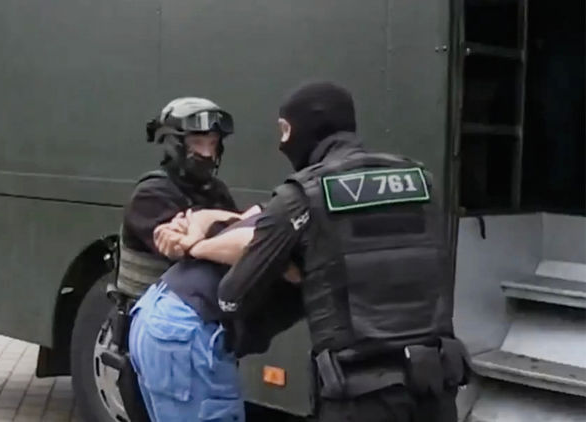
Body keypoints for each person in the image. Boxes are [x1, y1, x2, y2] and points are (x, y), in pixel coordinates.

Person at [210, 81, 470, 422]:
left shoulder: (299, 196)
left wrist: (293, 267)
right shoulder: (421, 181)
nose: (281, 143)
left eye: (284, 130)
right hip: (434, 386)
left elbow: (232, 297)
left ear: (303, 129)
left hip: (360, 397)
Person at [106, 97, 242, 421]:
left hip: (203, 338)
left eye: (213, 143)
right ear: (174, 145)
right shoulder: (152, 194)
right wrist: (217, 229)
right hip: (162, 346)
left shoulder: (215, 191)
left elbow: (239, 237)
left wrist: (208, 222)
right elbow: (197, 248)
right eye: (197, 143)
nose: (207, 153)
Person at [129, 211, 302, 422]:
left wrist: (193, 232)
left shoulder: (293, 207)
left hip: (159, 312)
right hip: (188, 328)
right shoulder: (323, 228)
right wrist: (197, 246)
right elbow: (257, 245)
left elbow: (212, 216)